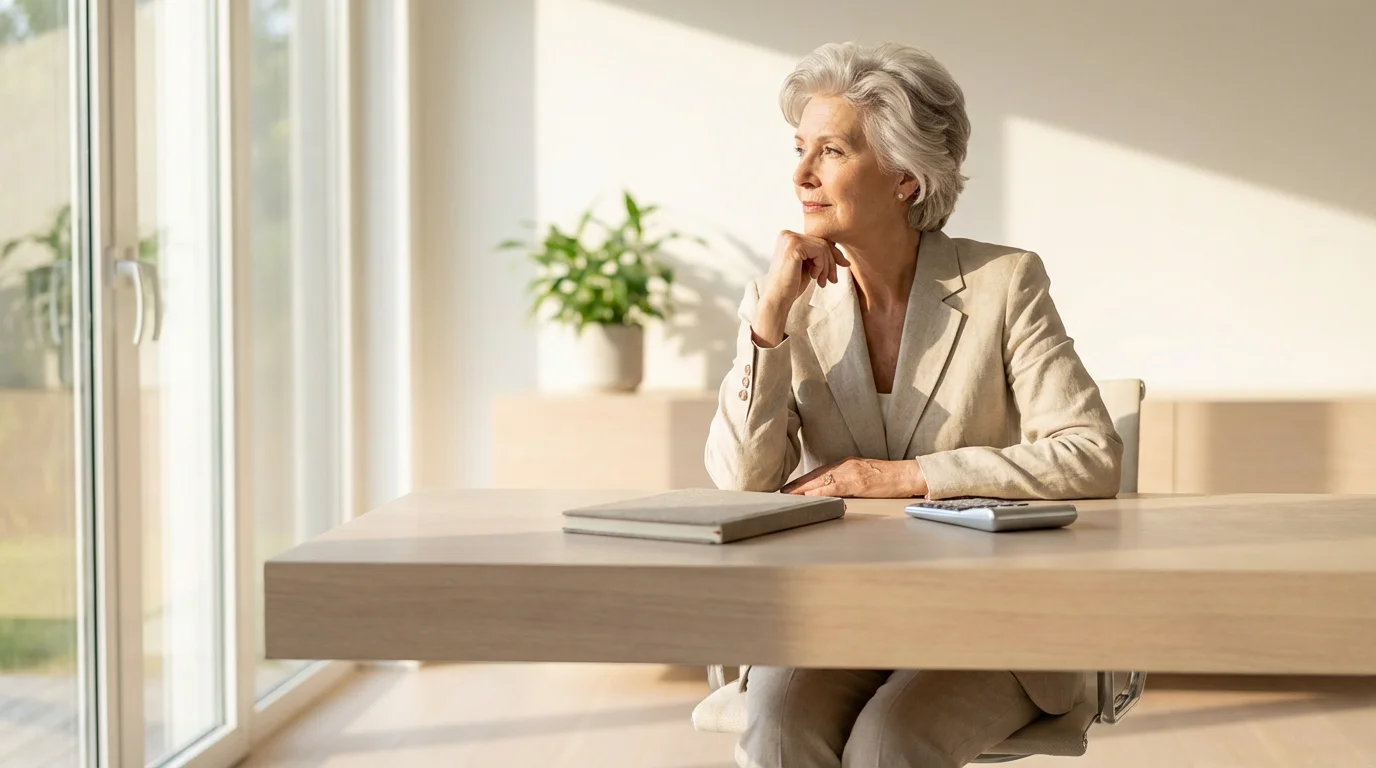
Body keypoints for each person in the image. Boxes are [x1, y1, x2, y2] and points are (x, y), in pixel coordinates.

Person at [703, 41, 1124, 768]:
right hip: (840, 615)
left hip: (991, 625)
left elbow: (1089, 454)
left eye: (831, 150)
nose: (802, 175)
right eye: (801, 148)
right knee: (776, 726)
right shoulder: (784, 300)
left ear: (904, 176)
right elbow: (741, 483)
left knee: (889, 742)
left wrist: (901, 476)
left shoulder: (1005, 282)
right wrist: (769, 320)